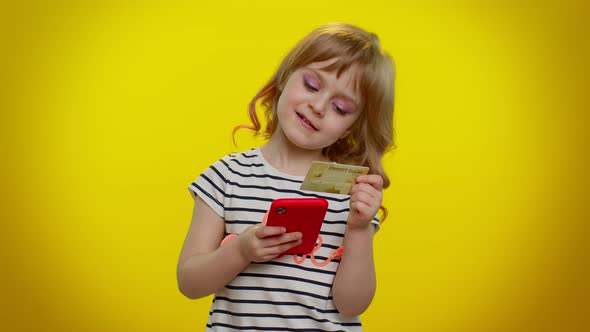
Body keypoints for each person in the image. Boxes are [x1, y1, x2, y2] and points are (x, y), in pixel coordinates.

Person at [177, 22, 395, 331]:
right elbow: (189, 282)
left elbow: (352, 305)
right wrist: (240, 251)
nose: (318, 107)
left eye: (341, 107)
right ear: (284, 77)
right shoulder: (227, 176)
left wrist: (359, 230)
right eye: (311, 84)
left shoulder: (352, 190)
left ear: (350, 127)